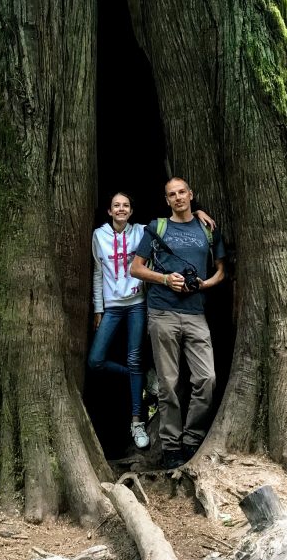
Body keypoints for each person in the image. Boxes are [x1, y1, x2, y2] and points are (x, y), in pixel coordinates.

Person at [90, 192, 214, 450]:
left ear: (131, 211)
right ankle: (145, 380)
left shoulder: (143, 231)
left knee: (134, 358)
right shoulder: (98, 236)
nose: (121, 209)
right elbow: (98, 272)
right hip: (112, 307)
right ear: (109, 211)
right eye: (116, 206)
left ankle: (136, 421)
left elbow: (176, 220)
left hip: (137, 304)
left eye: (125, 205)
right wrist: (98, 309)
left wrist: (198, 211)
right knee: (96, 361)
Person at [130, 177, 225, 469]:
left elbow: (221, 270)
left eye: (182, 192)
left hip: (196, 313)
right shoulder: (157, 227)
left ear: (191, 195)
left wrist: (204, 284)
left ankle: (192, 438)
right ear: (167, 200)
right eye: (172, 194)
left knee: (206, 379)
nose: (178, 197)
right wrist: (165, 279)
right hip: (162, 313)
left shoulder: (206, 229)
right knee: (168, 384)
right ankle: (171, 445)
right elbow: (136, 268)